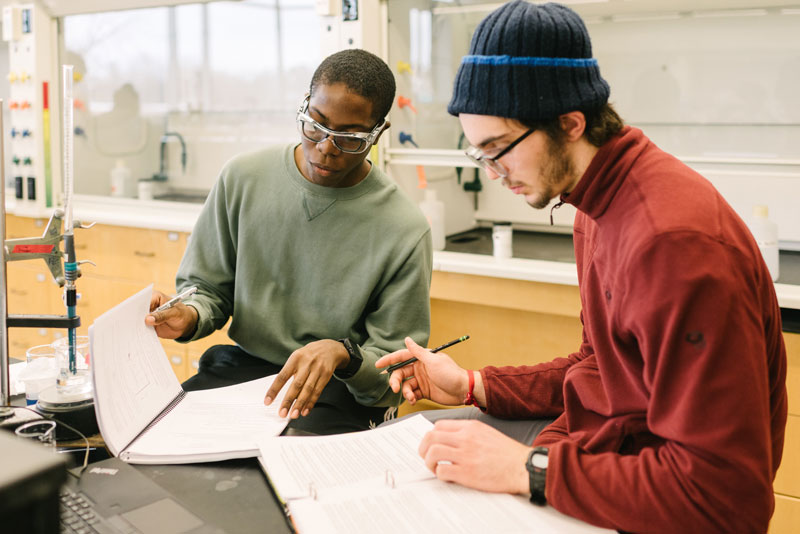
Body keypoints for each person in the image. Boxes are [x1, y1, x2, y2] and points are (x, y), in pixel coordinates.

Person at [375, 2, 787, 532]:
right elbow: (600, 367)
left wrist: (528, 470)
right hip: (595, 449)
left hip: (653, 495)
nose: (494, 172)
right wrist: (474, 385)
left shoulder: (671, 245)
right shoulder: (592, 201)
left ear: (571, 123)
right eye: (479, 155)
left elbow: (724, 496)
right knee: (417, 455)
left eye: (499, 149)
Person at [146, 49, 432, 435]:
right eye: (316, 125)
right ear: (304, 106)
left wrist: (344, 356)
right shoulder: (243, 179)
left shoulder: (404, 228)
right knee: (160, 439)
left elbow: (392, 374)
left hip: (338, 391)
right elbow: (208, 291)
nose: (327, 148)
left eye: (350, 138)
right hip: (243, 375)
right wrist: (190, 315)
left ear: (378, 132)